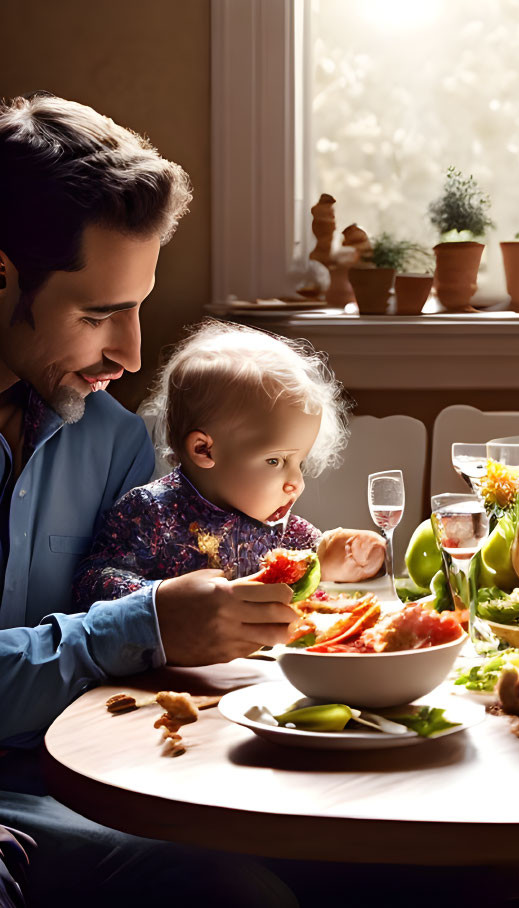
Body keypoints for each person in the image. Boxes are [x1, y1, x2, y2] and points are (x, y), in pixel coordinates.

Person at [0, 93, 299, 907]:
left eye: (137, 309)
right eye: (100, 314)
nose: (130, 355)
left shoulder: (111, 440)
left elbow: (152, 620)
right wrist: (144, 624)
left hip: (95, 773)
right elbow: (128, 630)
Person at [73, 320, 386, 609]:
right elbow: (93, 583)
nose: (296, 482)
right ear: (204, 450)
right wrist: (163, 599)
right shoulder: (149, 512)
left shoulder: (280, 528)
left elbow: (314, 559)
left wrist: (343, 556)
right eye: (275, 460)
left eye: (299, 463)